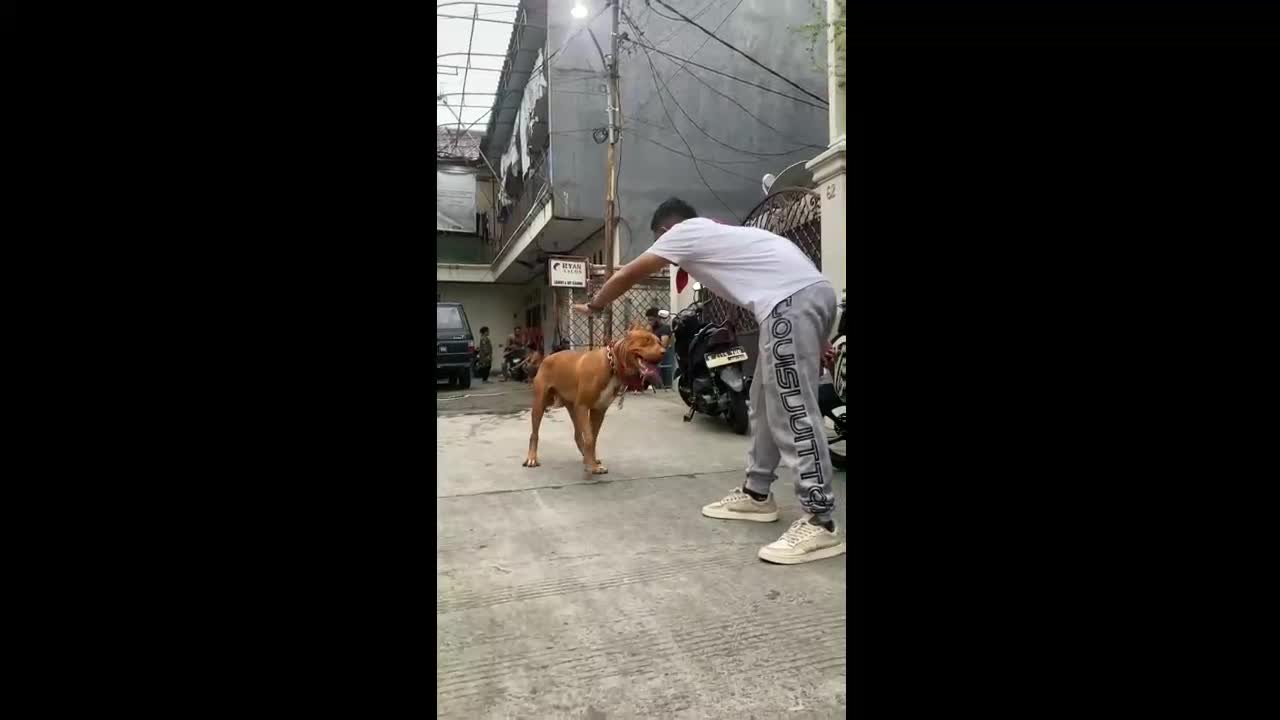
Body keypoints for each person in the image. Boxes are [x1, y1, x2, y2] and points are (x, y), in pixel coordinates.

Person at [572, 197, 843, 565]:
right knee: (764, 402)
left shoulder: (683, 233)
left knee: (791, 406)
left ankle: (820, 520)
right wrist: (818, 332)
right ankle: (757, 493)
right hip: (804, 297)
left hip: (789, 304)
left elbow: (627, 274)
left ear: (666, 231)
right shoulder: (725, 236)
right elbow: (794, 273)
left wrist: (597, 304)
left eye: (658, 241)